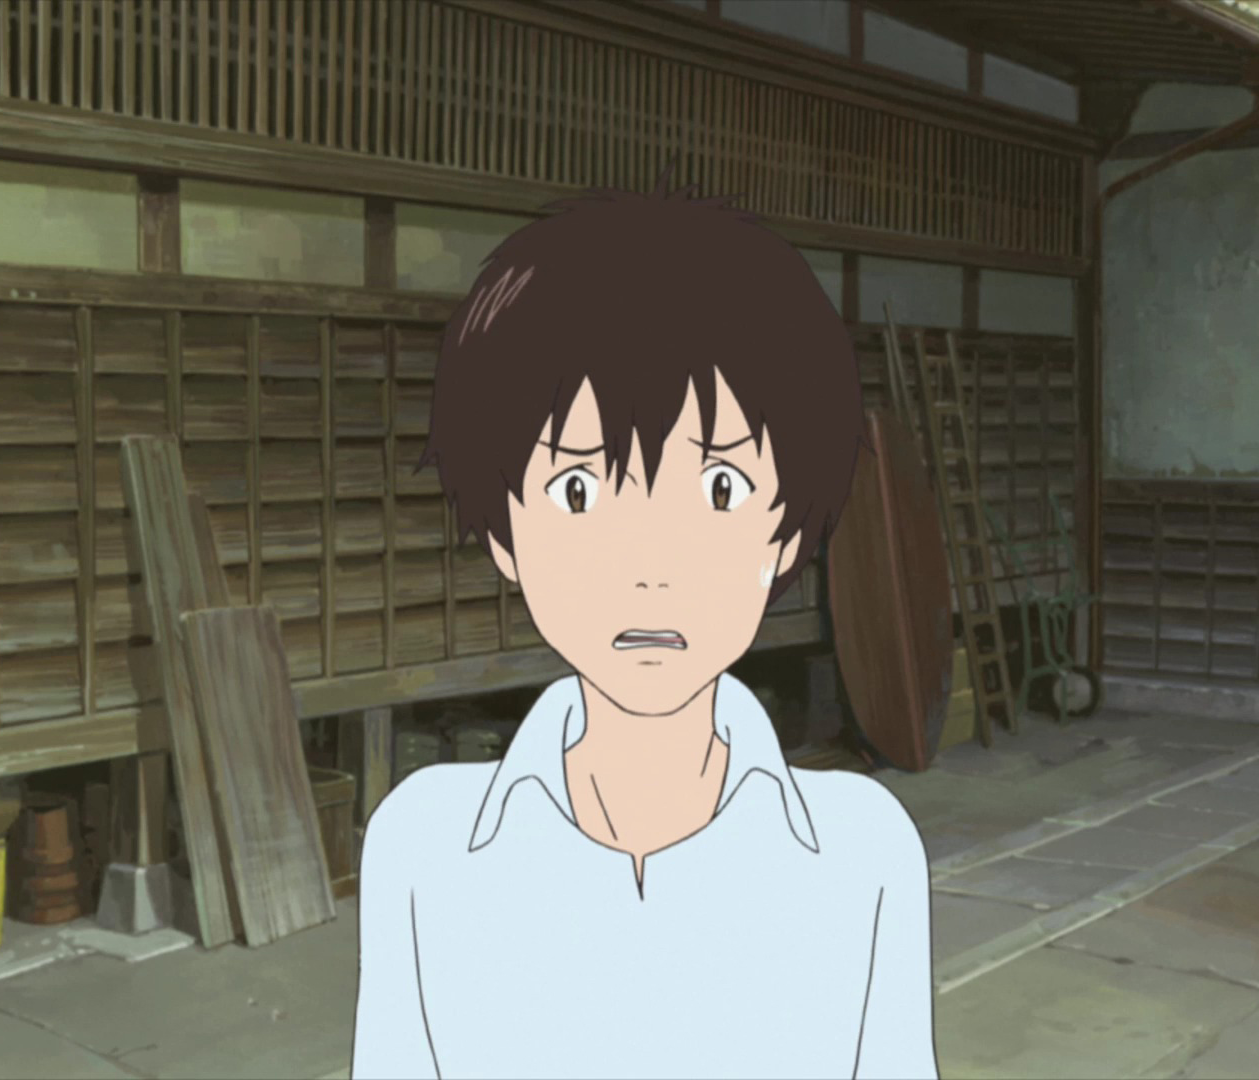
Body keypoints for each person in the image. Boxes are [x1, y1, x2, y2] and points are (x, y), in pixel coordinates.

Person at [350, 168, 937, 1080]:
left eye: (719, 487)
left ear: (786, 534)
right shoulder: (423, 847)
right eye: (579, 489)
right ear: (505, 534)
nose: (650, 569)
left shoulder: (863, 852)